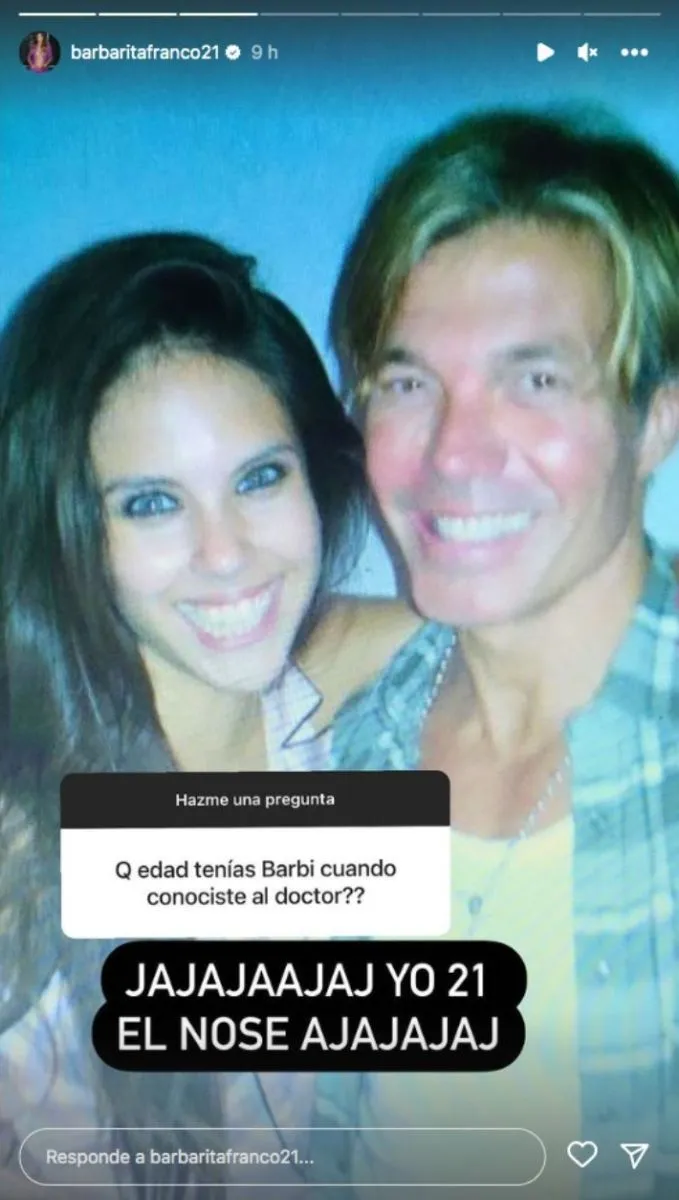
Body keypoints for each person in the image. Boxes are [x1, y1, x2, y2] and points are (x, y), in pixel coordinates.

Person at [0, 230, 418, 1196]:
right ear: (69, 533)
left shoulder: (331, 705)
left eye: (259, 478)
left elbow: (546, 616)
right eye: (151, 503)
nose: (226, 555)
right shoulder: (23, 842)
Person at [316, 110, 679, 1199]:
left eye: (535, 381)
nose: (452, 452)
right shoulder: (357, 737)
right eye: (407, 383)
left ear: (656, 422)